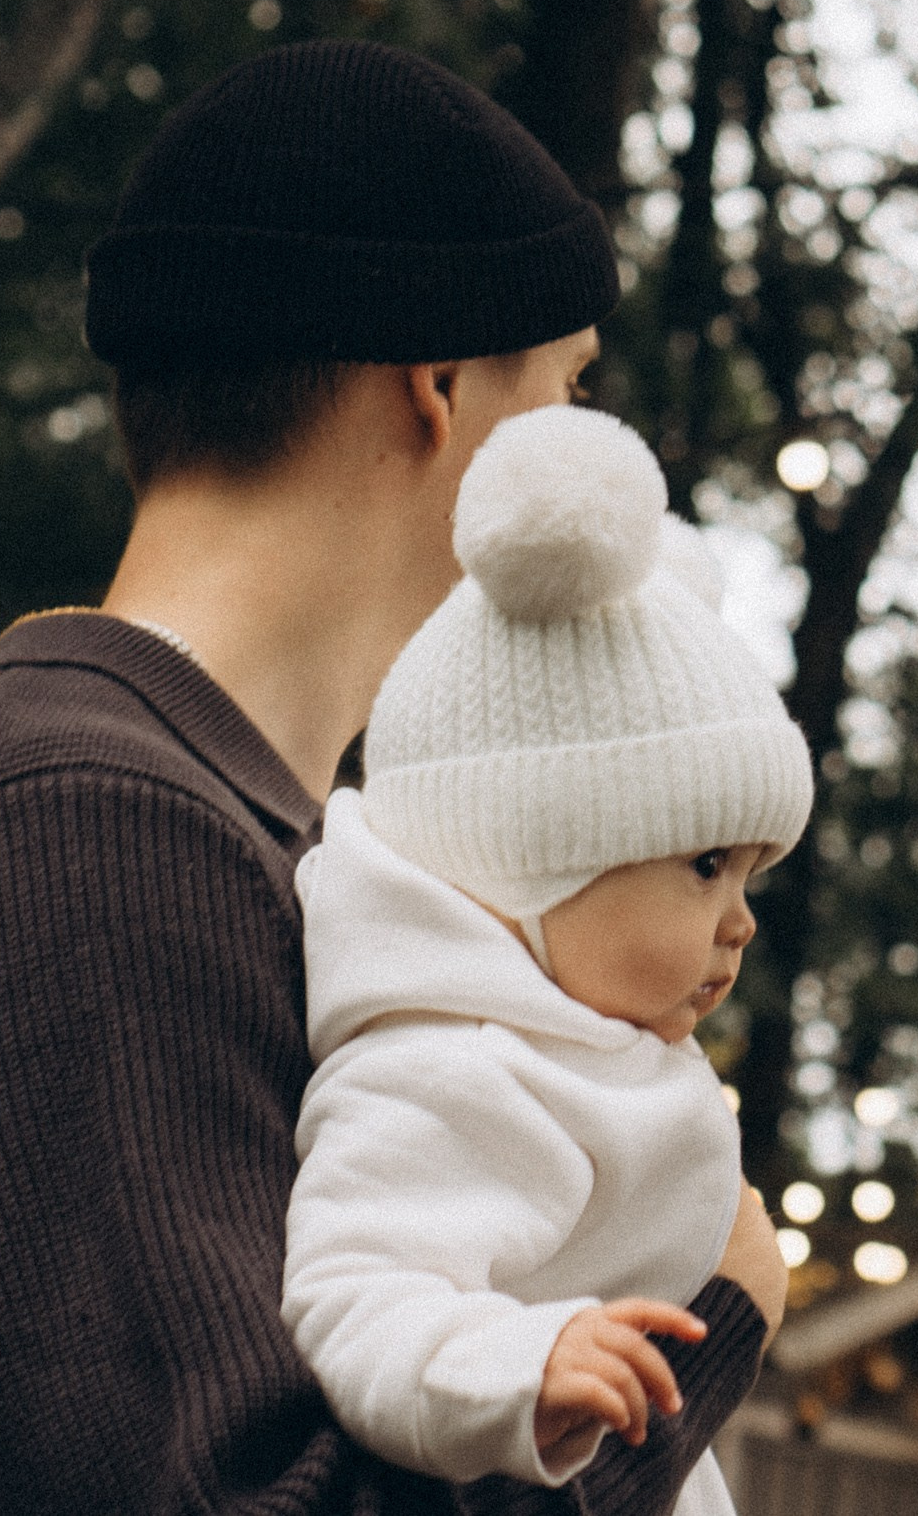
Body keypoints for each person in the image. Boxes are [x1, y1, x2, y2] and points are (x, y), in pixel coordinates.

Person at [0, 41, 786, 1516]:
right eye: (573, 386)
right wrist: (704, 1326)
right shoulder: (75, 828)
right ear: (439, 387)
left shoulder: (226, 834)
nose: (599, 452)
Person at [281, 405, 813, 1516]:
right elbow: (354, 1293)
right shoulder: (451, 1065)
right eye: (706, 863)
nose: (741, 921)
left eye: (751, 877)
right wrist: (519, 1366)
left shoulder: (571, 1044)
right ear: (530, 856)